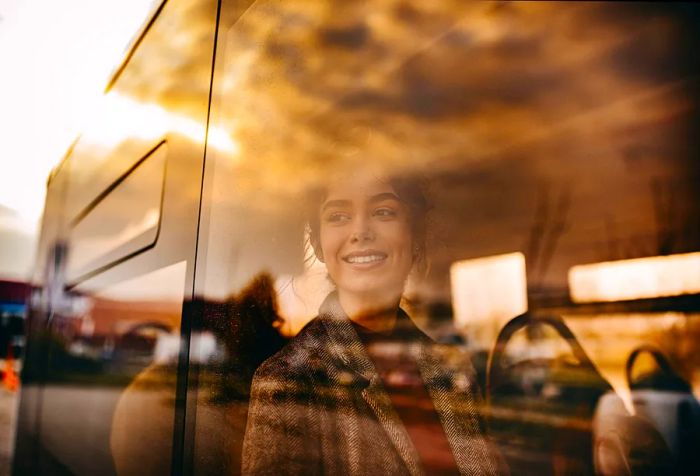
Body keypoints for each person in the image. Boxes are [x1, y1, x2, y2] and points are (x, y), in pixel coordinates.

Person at [241, 172, 505, 475]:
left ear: (415, 236)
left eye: (383, 212)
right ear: (317, 243)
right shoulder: (288, 382)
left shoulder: (453, 370)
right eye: (338, 216)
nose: (361, 231)